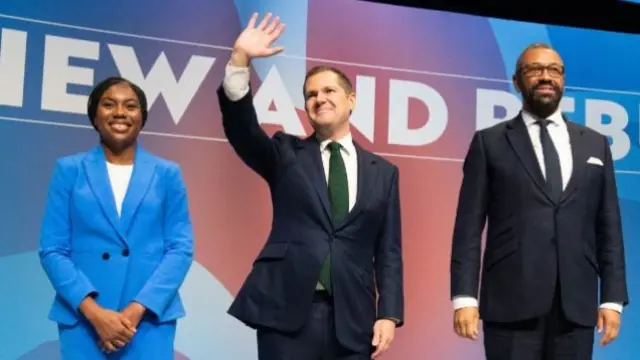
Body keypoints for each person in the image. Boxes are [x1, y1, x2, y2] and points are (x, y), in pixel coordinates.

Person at [218, 12, 404, 360]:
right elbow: (242, 131)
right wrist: (239, 61)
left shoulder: (384, 173)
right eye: (310, 95)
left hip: (352, 319)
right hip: (285, 312)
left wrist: (389, 313)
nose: (319, 98)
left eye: (329, 90)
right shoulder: (286, 153)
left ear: (351, 100)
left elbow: (389, 251)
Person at [450, 42, 629, 359]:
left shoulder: (596, 144)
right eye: (535, 69)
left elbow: (609, 228)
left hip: (576, 307)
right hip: (510, 304)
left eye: (554, 70)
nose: (546, 77)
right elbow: (468, 227)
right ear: (517, 81)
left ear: (563, 80)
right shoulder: (489, 142)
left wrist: (612, 299)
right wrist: (465, 297)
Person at [38, 76, 194, 359]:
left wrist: (135, 311)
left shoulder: (167, 173)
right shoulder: (69, 170)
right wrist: (96, 314)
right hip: (84, 321)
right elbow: (52, 250)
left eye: (130, 106)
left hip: (147, 322)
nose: (120, 112)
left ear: (142, 117)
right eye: (109, 105)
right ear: (95, 116)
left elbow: (180, 249)